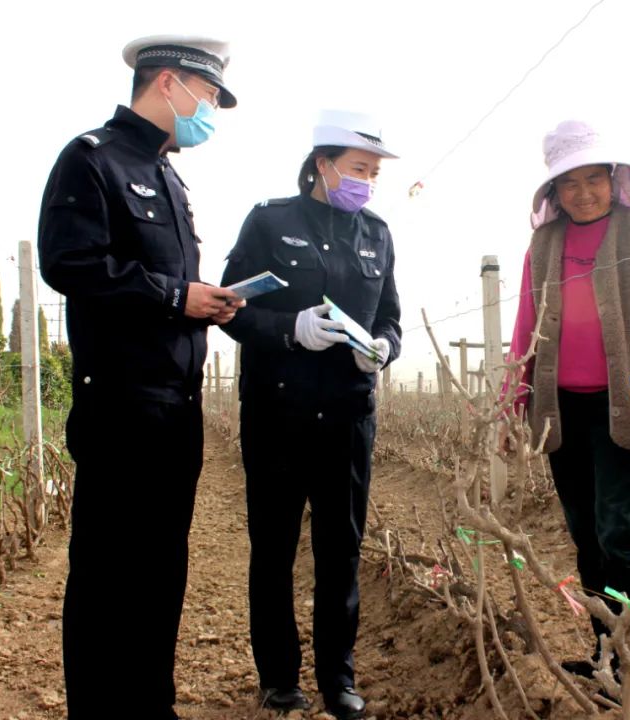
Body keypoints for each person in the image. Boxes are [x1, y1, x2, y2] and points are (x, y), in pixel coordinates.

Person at [37, 34, 243, 719]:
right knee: (106, 577)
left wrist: (200, 299)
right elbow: (69, 264)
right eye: (208, 96)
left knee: (161, 573)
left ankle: (152, 705)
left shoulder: (170, 178)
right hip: (119, 407)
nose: (210, 111)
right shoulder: (91, 160)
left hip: (175, 409)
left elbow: (165, 285)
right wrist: (172, 296)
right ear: (167, 83)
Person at [219, 110, 401, 720]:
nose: (366, 182)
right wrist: (290, 329)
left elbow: (391, 319)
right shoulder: (270, 223)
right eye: (357, 169)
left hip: (349, 416)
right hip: (276, 413)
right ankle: (279, 679)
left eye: (373, 173)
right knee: (273, 546)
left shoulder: (377, 234)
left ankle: (338, 679)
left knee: (341, 549)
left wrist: (385, 349)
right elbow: (230, 309)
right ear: (322, 165)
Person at [504, 120, 630, 678]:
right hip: (562, 410)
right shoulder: (544, 245)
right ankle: (604, 653)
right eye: (570, 184)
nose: (583, 192)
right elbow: (525, 330)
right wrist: (511, 398)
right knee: (585, 533)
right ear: (554, 193)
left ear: (615, 180)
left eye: (595, 179)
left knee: (621, 533)